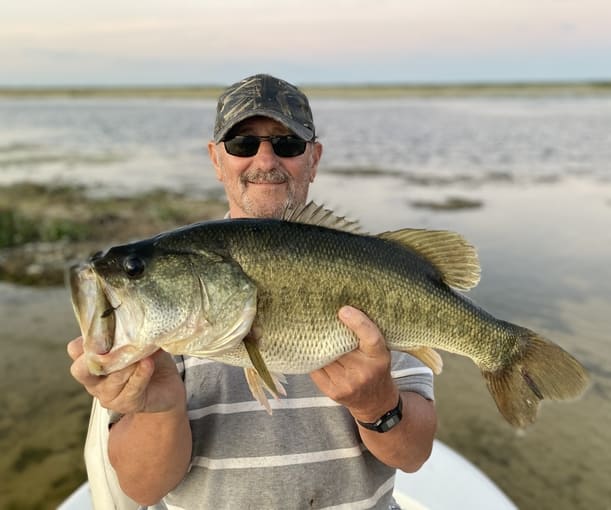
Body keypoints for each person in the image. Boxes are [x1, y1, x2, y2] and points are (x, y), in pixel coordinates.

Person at [68, 74, 437, 509]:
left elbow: (413, 456)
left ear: (314, 159)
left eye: (287, 144)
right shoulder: (162, 317)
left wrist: (378, 405)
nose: (265, 160)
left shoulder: (372, 271)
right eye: (242, 144)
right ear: (216, 159)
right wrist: (159, 407)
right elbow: (143, 489)